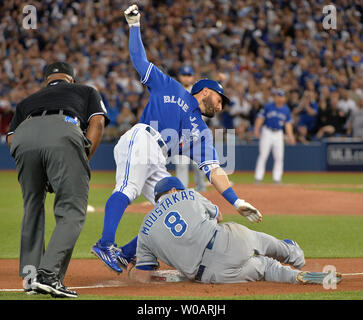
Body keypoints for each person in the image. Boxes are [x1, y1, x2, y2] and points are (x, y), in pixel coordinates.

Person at [91, 4, 262, 274]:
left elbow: (214, 170)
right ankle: (105, 244)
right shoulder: (171, 86)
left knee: (179, 205)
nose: (220, 107)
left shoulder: (201, 131)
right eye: (219, 100)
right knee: (128, 188)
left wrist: (237, 201)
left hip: (157, 157)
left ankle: (125, 254)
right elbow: (139, 61)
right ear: (205, 91)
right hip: (142, 138)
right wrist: (134, 26)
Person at [6, 62, 109, 298]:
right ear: (71, 79)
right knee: (71, 210)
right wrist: (81, 161)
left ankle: (31, 276)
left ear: (46, 81)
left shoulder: (27, 100)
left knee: (32, 206)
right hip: (63, 129)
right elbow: (98, 122)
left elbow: (11, 137)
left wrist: (35, 168)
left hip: (24, 137)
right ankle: (48, 275)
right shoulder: (85, 90)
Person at [128, 176, 342, 285]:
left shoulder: (145, 231)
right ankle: (295, 255)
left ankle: (294, 277)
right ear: (174, 190)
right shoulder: (187, 194)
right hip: (226, 240)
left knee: (264, 268)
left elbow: (143, 278)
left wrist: (131, 271)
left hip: (212, 275)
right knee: (267, 244)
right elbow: (218, 216)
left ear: (156, 199)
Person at [174, 65, 207, 192]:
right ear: (180, 77)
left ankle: (201, 189)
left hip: (195, 131)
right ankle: (182, 192)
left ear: (193, 77)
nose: (187, 78)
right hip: (179, 133)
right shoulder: (175, 91)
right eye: (184, 75)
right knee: (182, 165)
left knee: (198, 164)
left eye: (189, 75)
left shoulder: (197, 92)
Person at [254, 89, 296, 184]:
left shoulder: (286, 109)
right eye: (278, 96)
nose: (280, 98)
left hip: (279, 133)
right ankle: (258, 178)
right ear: (275, 97)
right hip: (267, 132)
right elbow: (260, 118)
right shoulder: (268, 106)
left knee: (279, 157)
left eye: (282, 96)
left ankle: (277, 178)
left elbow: (288, 124)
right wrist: (256, 129)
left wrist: (291, 136)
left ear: (284, 98)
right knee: (263, 155)